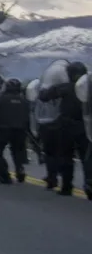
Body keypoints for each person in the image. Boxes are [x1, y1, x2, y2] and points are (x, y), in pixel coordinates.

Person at [38, 61, 87, 196]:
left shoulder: (66, 87)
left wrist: (43, 88)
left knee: (66, 157)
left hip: (67, 126)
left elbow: (44, 96)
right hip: (86, 127)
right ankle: (89, 185)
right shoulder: (88, 88)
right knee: (87, 158)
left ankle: (67, 187)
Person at [0, 77, 28, 184]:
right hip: (20, 130)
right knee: (17, 151)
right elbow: (29, 116)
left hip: (3, 129)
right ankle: (19, 169)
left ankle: (4, 174)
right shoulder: (24, 101)